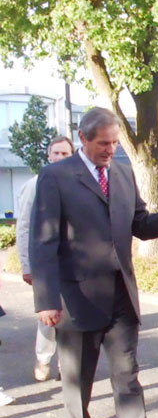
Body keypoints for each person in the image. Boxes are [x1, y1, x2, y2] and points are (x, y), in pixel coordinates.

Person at [29, 107, 158, 418]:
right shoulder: (55, 177)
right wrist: (46, 300)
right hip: (76, 298)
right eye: (103, 144)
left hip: (121, 295)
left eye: (115, 143)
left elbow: (140, 224)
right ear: (84, 139)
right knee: (79, 376)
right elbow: (43, 241)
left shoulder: (122, 173)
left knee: (127, 377)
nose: (110, 150)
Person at [16, 134, 75, 388]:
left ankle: (67, 365)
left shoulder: (77, 184)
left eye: (65, 154)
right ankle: (43, 359)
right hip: (45, 265)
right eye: (56, 153)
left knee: (69, 316)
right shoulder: (35, 184)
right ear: (49, 156)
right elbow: (25, 227)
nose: (60, 158)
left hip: (72, 265)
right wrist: (27, 265)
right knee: (49, 315)